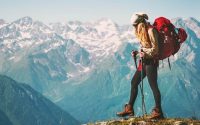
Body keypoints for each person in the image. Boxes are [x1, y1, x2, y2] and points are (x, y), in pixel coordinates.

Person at [116, 13, 164, 119]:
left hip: (151, 62)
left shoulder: (151, 31)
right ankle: (129, 108)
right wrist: (137, 53)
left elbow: (155, 49)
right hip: (144, 62)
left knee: (153, 86)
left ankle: (158, 111)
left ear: (140, 23)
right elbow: (146, 48)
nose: (134, 27)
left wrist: (144, 53)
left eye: (135, 25)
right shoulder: (143, 31)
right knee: (134, 82)